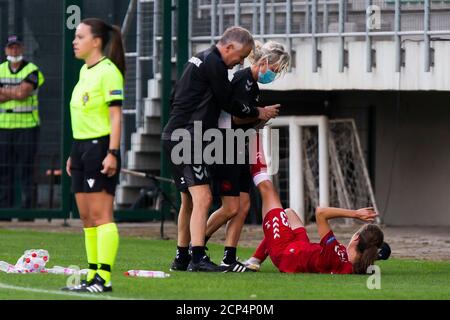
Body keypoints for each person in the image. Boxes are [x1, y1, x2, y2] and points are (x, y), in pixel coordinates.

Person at [163, 26, 280, 272]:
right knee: (204, 198)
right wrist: (259, 112)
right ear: (228, 47)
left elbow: (175, 97)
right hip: (188, 137)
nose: (239, 62)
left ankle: (183, 257)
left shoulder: (200, 59)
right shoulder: (215, 62)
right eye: (240, 56)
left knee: (189, 201)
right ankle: (197, 258)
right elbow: (229, 103)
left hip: (180, 134)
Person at [204, 41, 291, 272]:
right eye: (276, 69)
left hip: (239, 146)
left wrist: (260, 118)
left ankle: (229, 257)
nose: (275, 74)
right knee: (231, 207)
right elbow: (234, 118)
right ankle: (194, 246)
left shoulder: (252, 85)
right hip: (226, 146)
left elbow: (245, 119)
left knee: (243, 205)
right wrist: (261, 112)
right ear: (264, 63)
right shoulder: (244, 80)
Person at [242, 141, 388, 275]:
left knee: (267, 189)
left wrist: (355, 214)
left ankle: (255, 138)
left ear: (356, 238)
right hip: (301, 249)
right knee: (288, 213)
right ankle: (254, 260)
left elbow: (321, 213)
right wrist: (379, 253)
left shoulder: (334, 254)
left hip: (286, 254)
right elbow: (375, 252)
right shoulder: (354, 266)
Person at [63, 18, 125, 292]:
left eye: (80, 37)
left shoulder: (109, 72)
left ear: (96, 41)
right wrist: (73, 154)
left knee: (102, 216)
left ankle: (104, 278)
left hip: (100, 148)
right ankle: (91, 276)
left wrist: (111, 153)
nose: (75, 42)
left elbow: (115, 117)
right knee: (87, 218)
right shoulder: (84, 72)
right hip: (81, 148)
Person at [0, 35, 45, 209]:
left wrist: (5, 91)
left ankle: (28, 210)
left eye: (17, 47)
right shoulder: (1, 69)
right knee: (4, 170)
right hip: (4, 126)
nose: (14, 50)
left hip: (27, 126)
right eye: (11, 47)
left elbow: (23, 94)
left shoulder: (32, 70)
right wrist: (16, 90)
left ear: (23, 49)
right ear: (6, 50)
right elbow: (18, 93)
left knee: (27, 170)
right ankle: (5, 209)